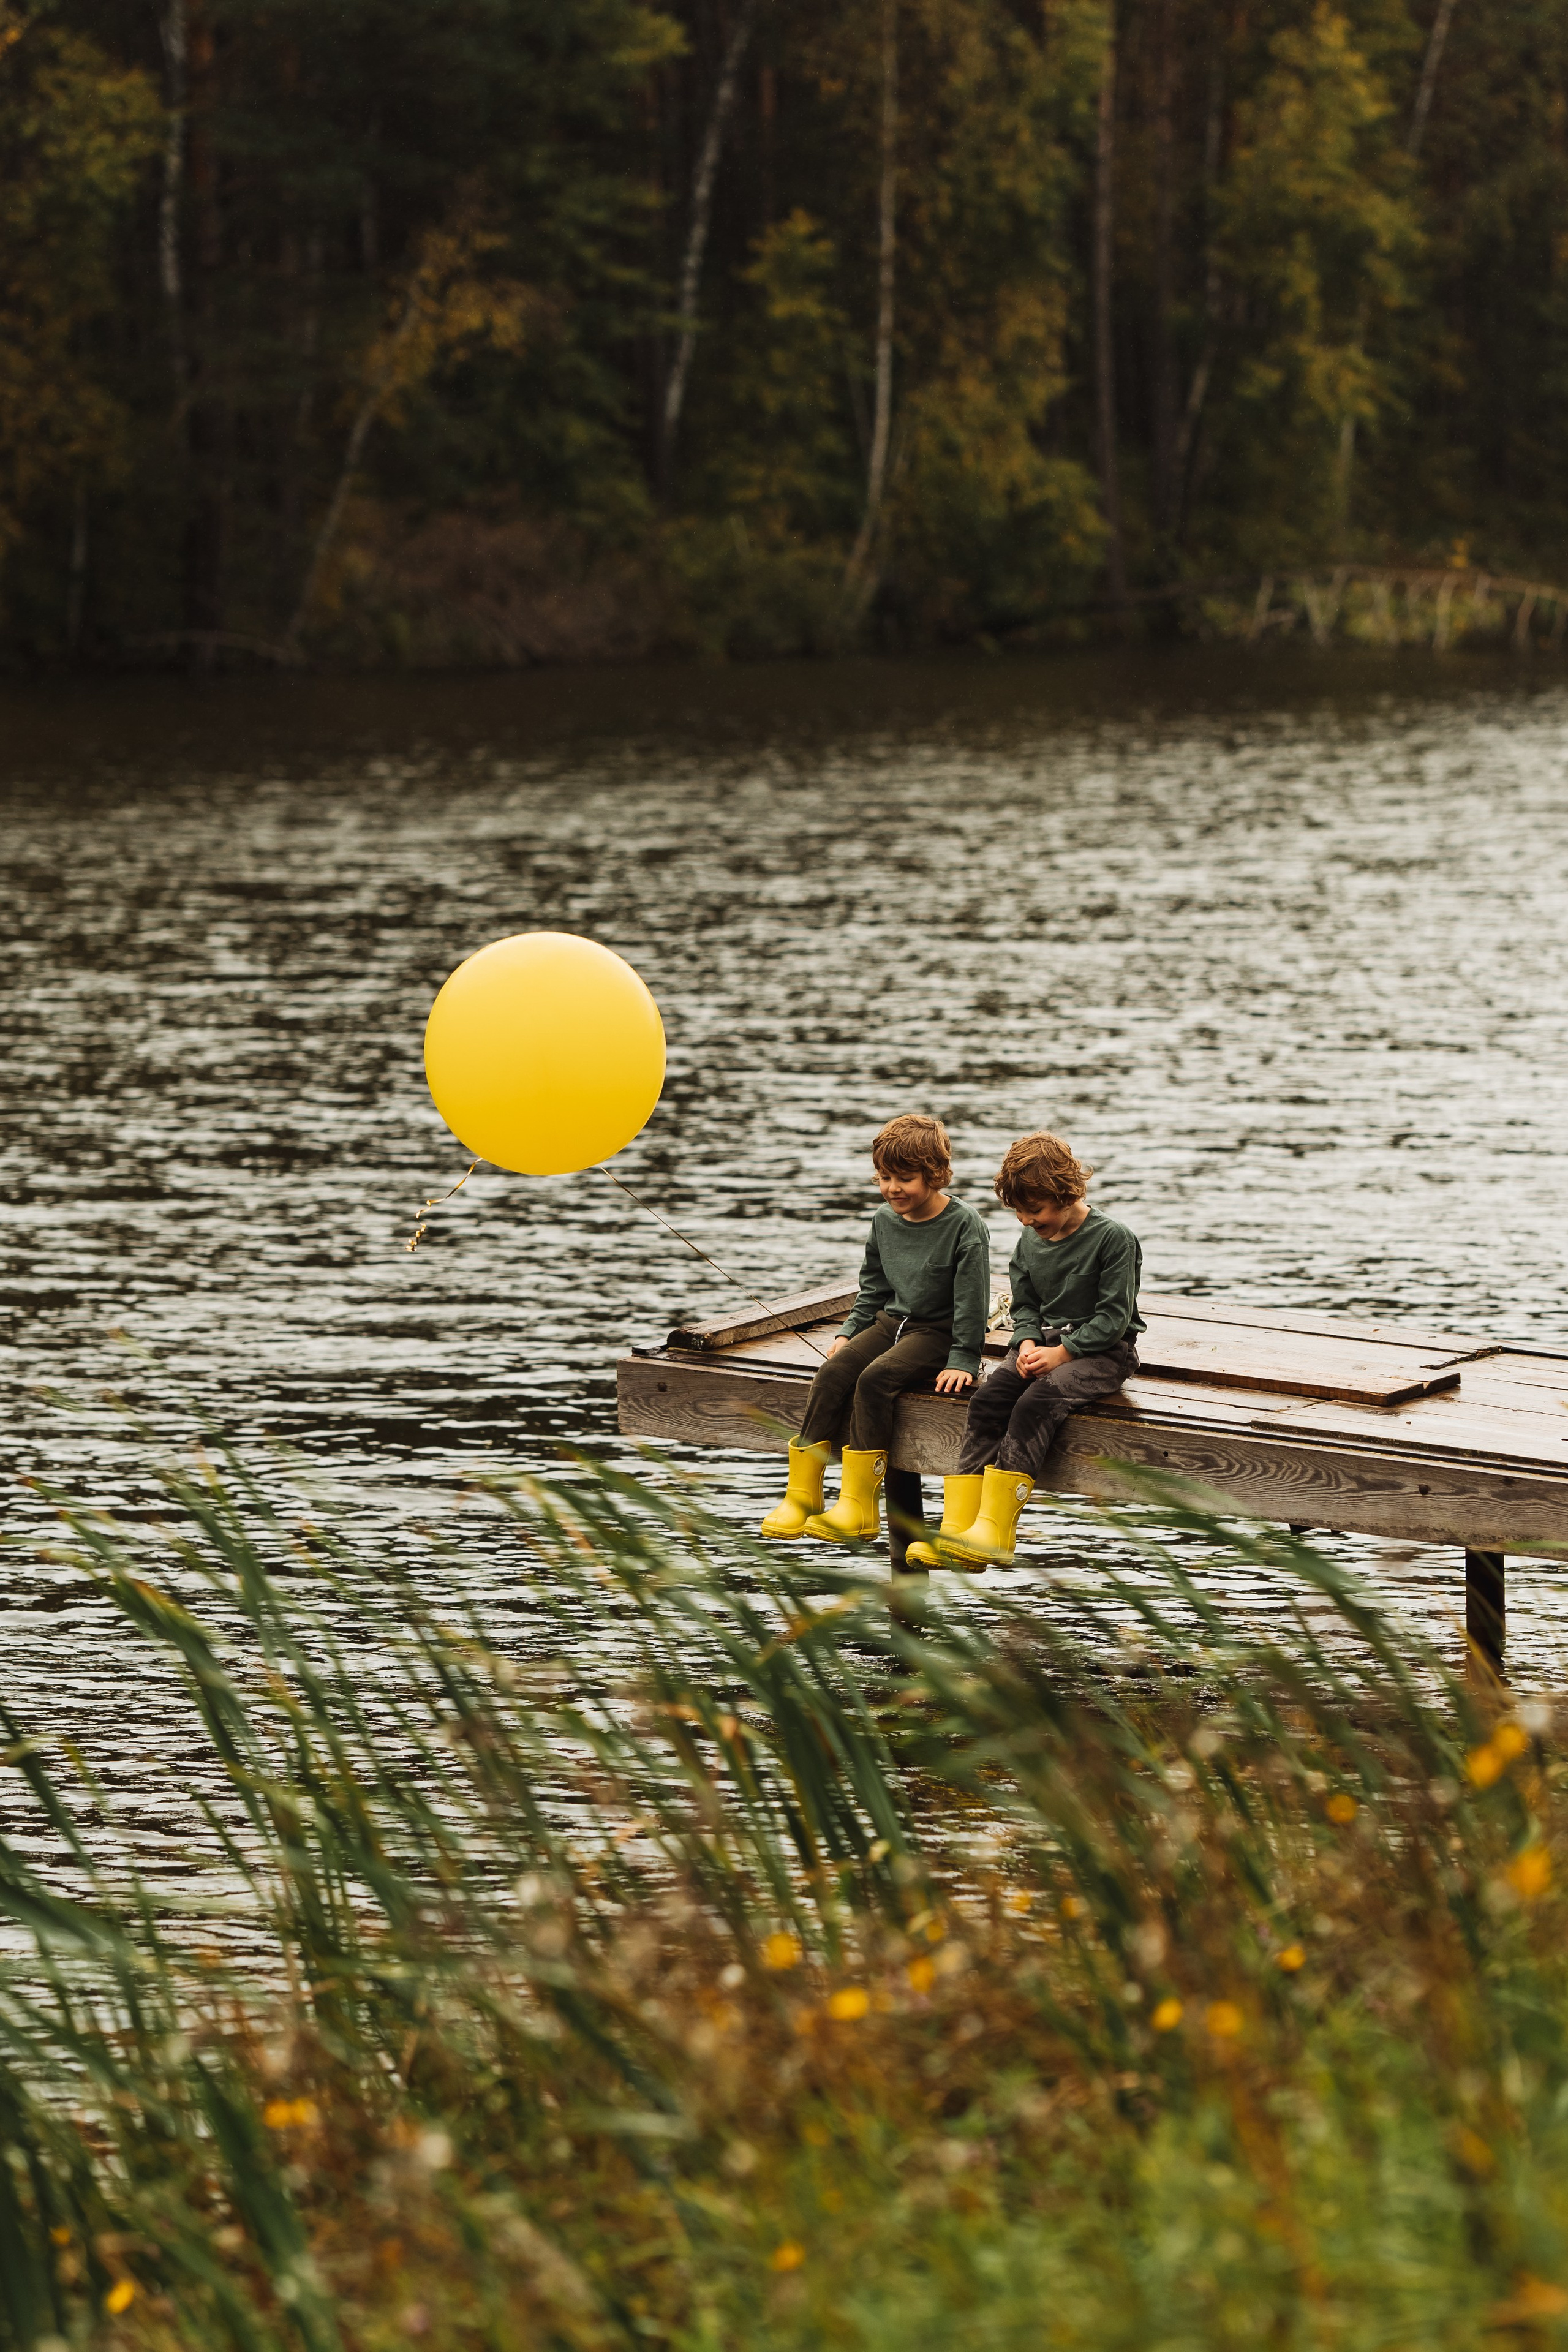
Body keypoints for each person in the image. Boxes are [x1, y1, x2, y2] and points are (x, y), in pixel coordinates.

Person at [906, 1131, 1142, 1570]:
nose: (1026, 1220)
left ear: (1067, 1193)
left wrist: (1063, 1353)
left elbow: (1113, 1318)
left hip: (1105, 1352)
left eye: (1034, 1209)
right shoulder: (1030, 1241)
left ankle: (995, 1530)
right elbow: (1026, 1305)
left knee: (1034, 1404)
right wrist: (1028, 1340)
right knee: (988, 1400)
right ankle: (958, 1528)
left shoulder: (1113, 1239)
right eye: (1017, 1211)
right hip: (1046, 1344)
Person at [760, 1114, 990, 1545]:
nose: (892, 1188)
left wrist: (963, 1357)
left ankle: (858, 1506)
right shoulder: (884, 1220)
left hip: (936, 1333)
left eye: (905, 1178)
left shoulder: (965, 1225)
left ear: (935, 1175)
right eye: (885, 1177)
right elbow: (874, 1288)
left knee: (875, 1379)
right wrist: (849, 1332)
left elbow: (972, 1303)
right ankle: (802, 1497)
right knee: (831, 1375)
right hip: (890, 1323)